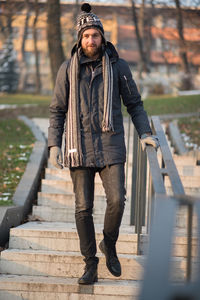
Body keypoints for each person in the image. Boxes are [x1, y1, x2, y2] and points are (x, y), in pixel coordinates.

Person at [48, 3, 159, 285]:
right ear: (79, 39)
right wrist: (53, 145)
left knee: (117, 201)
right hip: (79, 146)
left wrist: (145, 132)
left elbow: (134, 104)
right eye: (86, 36)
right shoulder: (67, 69)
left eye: (95, 35)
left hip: (111, 145)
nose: (91, 40)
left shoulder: (118, 66)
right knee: (83, 208)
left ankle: (109, 243)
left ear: (102, 37)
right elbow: (57, 110)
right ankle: (90, 263)